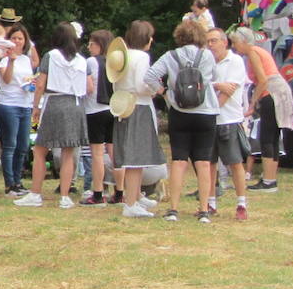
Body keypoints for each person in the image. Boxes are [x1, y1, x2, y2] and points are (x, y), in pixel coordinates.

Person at [144, 19, 220, 223]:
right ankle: (204, 210)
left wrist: (165, 93)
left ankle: (174, 209)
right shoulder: (207, 55)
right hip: (205, 112)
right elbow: (213, 77)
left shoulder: (171, 56)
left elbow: (150, 76)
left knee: (178, 161)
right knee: (203, 162)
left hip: (179, 112)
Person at [16, 23, 90, 209]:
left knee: (40, 150)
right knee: (68, 152)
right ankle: (65, 196)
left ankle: (35, 193)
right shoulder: (82, 60)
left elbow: (40, 84)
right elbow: (89, 87)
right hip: (76, 104)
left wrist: (35, 106)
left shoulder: (52, 56)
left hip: (55, 102)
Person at [229, 26, 293, 192]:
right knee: (272, 137)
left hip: (272, 94)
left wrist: (252, 102)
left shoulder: (253, 52)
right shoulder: (258, 51)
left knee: (267, 137)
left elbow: (263, 80)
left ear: (244, 41)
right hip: (278, 92)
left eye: (235, 42)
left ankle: (268, 180)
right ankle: (270, 179)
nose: (234, 46)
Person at [109, 21, 164, 217]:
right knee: (136, 158)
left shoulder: (121, 55)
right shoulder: (142, 57)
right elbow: (143, 85)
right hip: (138, 106)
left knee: (132, 157)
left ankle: (134, 197)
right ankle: (130, 203)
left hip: (122, 105)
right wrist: (155, 90)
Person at [208, 27, 252, 220]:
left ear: (224, 42)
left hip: (229, 119)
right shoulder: (206, 61)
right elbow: (201, 84)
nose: (210, 45)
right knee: (208, 164)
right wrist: (216, 85)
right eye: (208, 41)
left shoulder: (235, 61)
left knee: (235, 163)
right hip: (209, 119)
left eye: (214, 41)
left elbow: (229, 90)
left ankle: (241, 203)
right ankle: (209, 202)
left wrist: (213, 108)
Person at [0, 23, 34, 196]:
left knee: (23, 146)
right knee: (10, 145)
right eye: (14, 38)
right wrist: (11, 61)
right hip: (9, 104)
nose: (17, 41)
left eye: (20, 38)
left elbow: (28, 78)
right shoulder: (4, 59)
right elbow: (7, 79)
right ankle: (9, 184)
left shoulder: (26, 60)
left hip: (25, 104)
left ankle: (18, 181)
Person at [80, 29, 114, 206]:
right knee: (114, 151)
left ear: (99, 45)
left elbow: (89, 88)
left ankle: (98, 193)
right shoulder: (114, 61)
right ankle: (121, 191)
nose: (89, 47)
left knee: (97, 154)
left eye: (91, 43)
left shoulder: (91, 62)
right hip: (113, 108)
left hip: (94, 109)